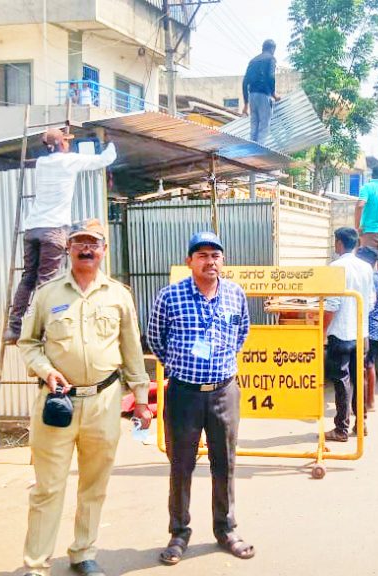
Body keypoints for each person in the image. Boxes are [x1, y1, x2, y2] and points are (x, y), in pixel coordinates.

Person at [16, 219, 152, 576]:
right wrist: (46, 370)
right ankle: (36, 565)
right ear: (68, 249)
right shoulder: (47, 294)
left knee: (94, 485)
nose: (87, 249)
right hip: (57, 403)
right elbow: (27, 343)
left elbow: (132, 350)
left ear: (103, 251)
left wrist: (141, 398)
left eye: (93, 244)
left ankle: (83, 553)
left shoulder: (119, 295)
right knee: (48, 488)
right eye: (79, 243)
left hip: (104, 404)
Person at [147, 232, 254, 566]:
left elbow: (241, 333)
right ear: (189, 262)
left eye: (216, 255)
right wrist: (184, 369)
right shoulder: (170, 296)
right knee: (181, 466)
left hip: (224, 393)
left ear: (223, 261)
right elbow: (155, 338)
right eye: (202, 255)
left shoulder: (235, 294)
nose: (210, 261)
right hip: (184, 395)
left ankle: (226, 530)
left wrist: (219, 367)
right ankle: (179, 532)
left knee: (225, 464)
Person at [4, 128, 118, 344]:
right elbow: (105, 159)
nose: (68, 145)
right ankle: (44, 330)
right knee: (46, 283)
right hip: (53, 230)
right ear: (62, 144)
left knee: (28, 278)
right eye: (66, 141)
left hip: (32, 229)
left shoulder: (41, 163)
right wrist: (111, 143)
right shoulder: (69, 161)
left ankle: (14, 328)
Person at [323, 227, 375, 442]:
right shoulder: (366, 267)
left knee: (341, 380)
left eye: (335, 242)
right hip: (361, 333)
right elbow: (371, 300)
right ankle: (360, 424)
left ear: (340, 243)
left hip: (341, 333)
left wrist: (322, 331)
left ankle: (341, 429)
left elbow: (332, 305)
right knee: (358, 377)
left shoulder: (335, 267)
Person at [356, 246, 378, 412]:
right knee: (369, 364)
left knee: (366, 365)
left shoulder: (371, 279)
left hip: (371, 327)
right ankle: (369, 402)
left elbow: (369, 303)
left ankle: (369, 402)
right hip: (377, 326)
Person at [242, 39, 281, 143]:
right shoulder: (271, 59)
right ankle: (259, 154)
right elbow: (271, 76)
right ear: (272, 49)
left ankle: (252, 151)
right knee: (263, 127)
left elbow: (245, 82)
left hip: (252, 96)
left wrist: (245, 104)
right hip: (264, 95)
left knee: (254, 127)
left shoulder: (253, 61)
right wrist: (273, 94)